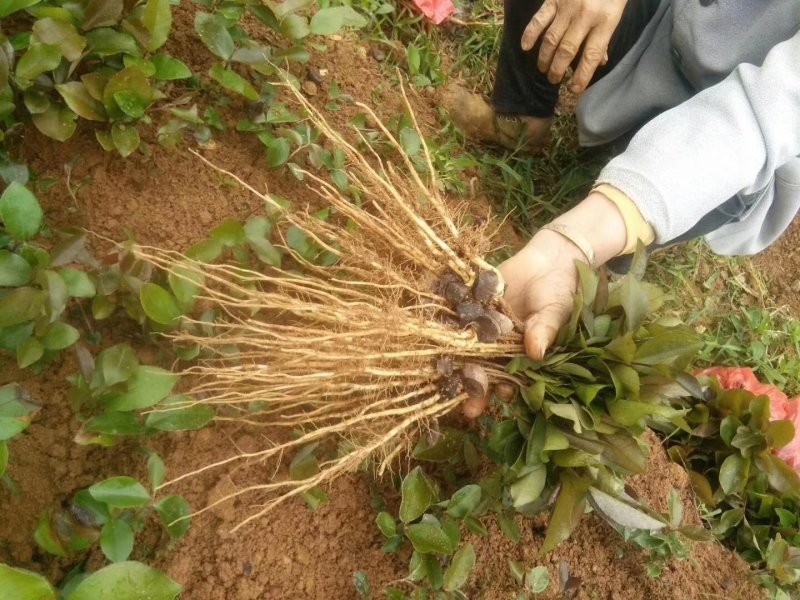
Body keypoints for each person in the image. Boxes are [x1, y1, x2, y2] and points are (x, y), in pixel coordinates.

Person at [443, 0, 800, 360]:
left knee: (624, 231)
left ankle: (605, 260)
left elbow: (770, 113)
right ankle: (523, 119)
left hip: (742, 146)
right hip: (671, 27)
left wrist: (580, 240)